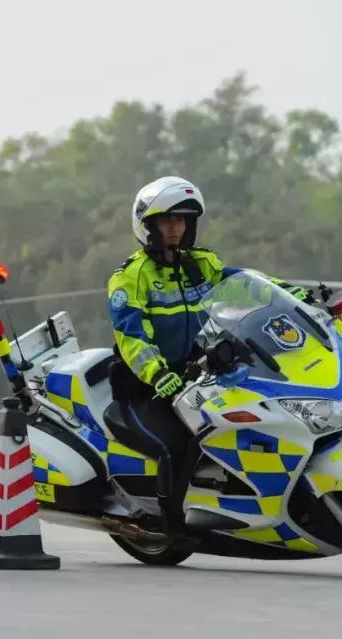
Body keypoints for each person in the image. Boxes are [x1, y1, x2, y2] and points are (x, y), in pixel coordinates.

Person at [106, 176, 309, 536]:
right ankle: (171, 527)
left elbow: (245, 283)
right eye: (167, 221)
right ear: (147, 225)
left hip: (195, 376)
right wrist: (156, 374)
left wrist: (296, 295)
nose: (175, 228)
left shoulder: (199, 264)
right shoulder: (130, 278)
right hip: (145, 389)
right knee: (177, 445)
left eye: (182, 221)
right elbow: (131, 336)